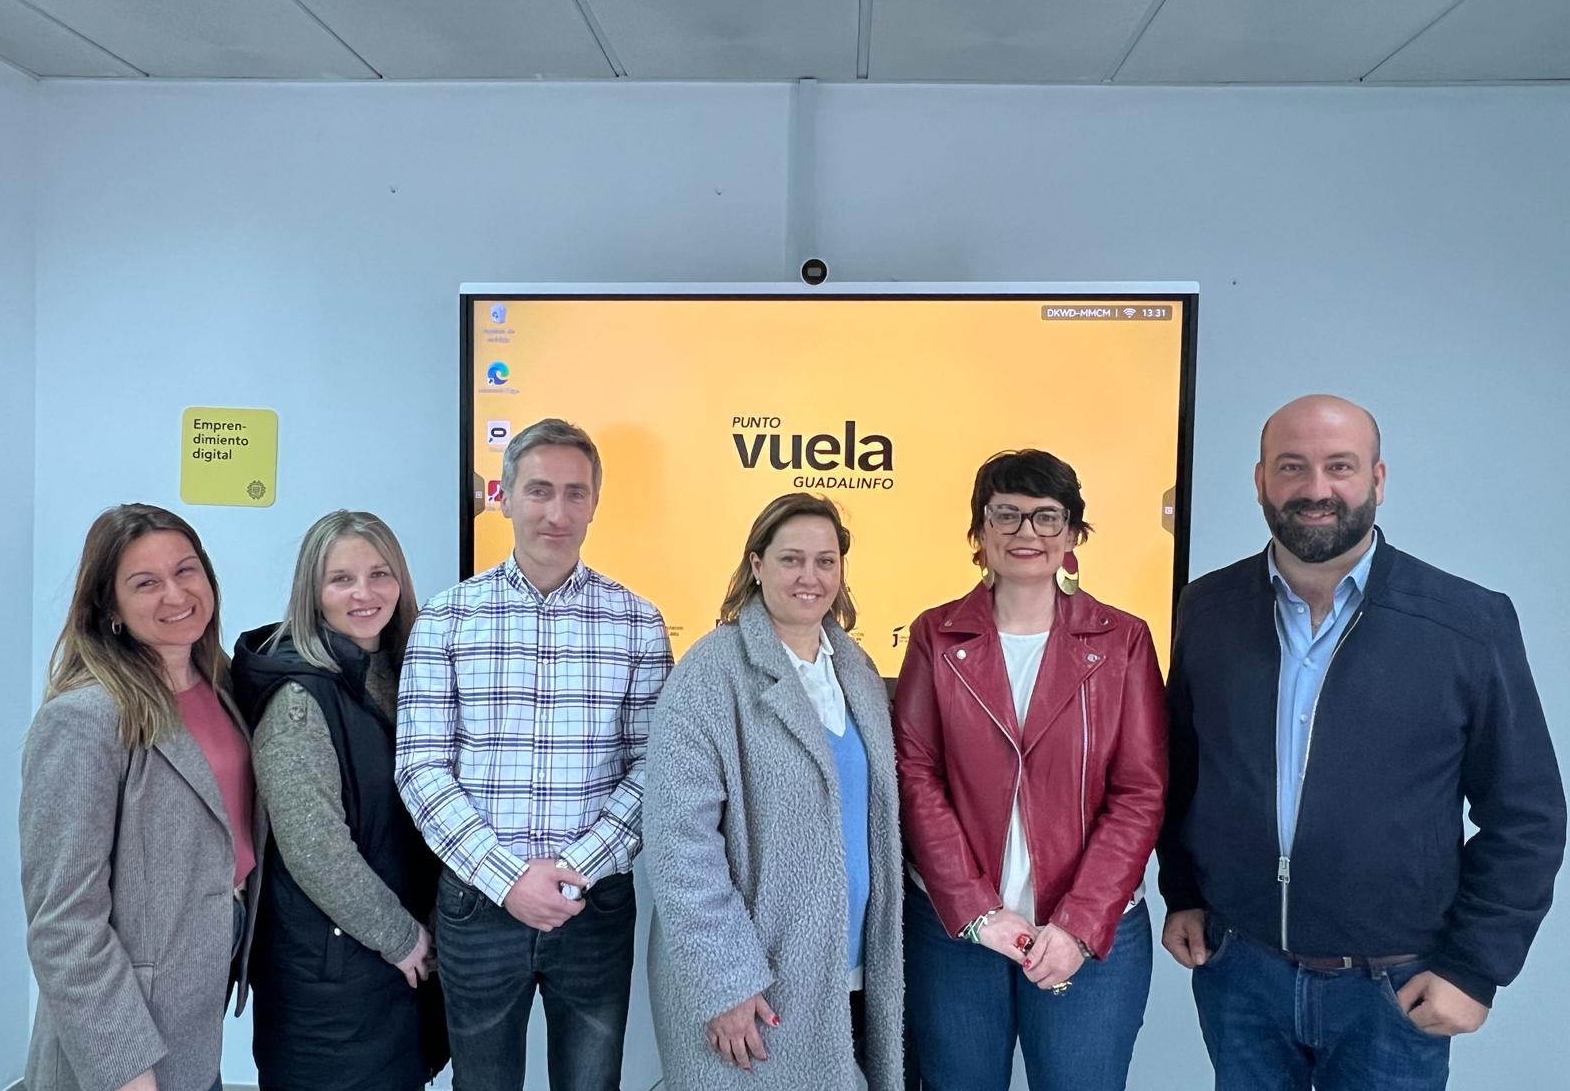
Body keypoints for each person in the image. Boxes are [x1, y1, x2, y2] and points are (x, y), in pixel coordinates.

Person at [1158, 394, 1567, 1091]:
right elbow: (1182, 772)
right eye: (1293, 467)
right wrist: (1184, 891)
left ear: (1377, 481)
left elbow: (1527, 815)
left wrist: (1473, 968)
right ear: (1260, 480)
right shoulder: (1207, 610)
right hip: (1240, 975)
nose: (1316, 490)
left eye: (1339, 467)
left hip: (1395, 986)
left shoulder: (1468, 623)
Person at [395, 418, 673, 1091]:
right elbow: (421, 765)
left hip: (594, 907)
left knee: (590, 1083)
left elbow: (651, 770)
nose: (557, 512)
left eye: (575, 493)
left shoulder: (638, 622)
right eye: (540, 490)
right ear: (504, 497)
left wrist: (576, 868)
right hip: (478, 904)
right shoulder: (447, 618)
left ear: (595, 504)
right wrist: (509, 878)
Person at [893, 449, 1167, 1091]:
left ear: (1073, 535)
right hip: (954, 932)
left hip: (1091, 932)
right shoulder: (935, 635)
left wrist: (1078, 922)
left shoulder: (1123, 640)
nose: (1026, 534)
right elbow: (915, 776)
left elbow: (1140, 792)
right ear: (978, 533)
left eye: (1047, 518)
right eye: (1007, 515)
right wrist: (976, 911)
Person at [645, 492, 905, 1090]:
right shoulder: (710, 676)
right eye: (791, 559)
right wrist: (725, 982)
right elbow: (678, 847)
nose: (810, 577)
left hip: (853, 974)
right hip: (755, 988)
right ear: (756, 566)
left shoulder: (857, 672)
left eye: (826, 561)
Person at [21, 503, 263, 1091]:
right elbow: (63, 922)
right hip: (125, 1030)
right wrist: (126, 1068)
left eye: (186, 571)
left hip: (198, 998)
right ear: (111, 609)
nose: (176, 595)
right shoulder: (82, 719)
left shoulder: (223, 688)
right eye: (145, 583)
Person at [231, 511, 447, 1090]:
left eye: (380, 574)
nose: (364, 593)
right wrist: (403, 937)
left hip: (383, 973)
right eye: (341, 579)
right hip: (330, 987)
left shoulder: (395, 671)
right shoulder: (300, 700)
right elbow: (314, 847)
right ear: (312, 592)